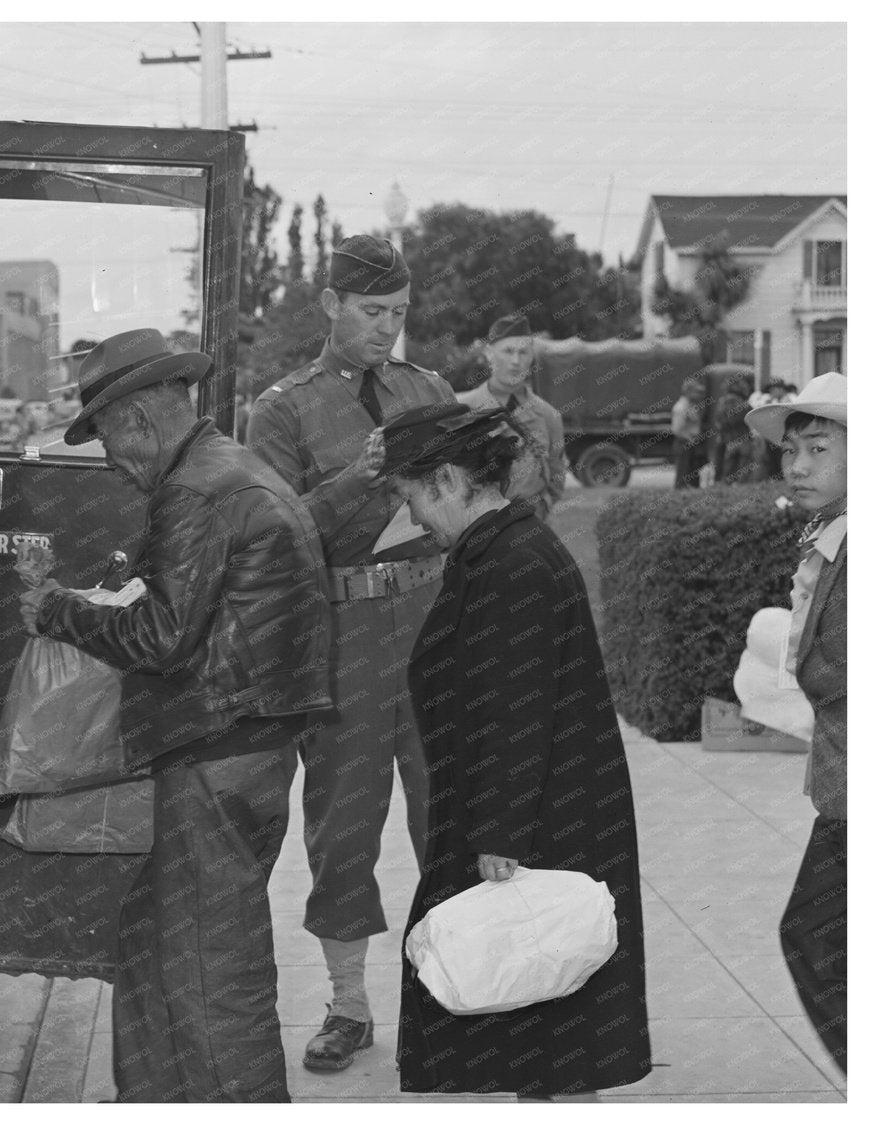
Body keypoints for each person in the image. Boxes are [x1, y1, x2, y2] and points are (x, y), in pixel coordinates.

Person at [18, 328, 333, 1101]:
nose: (114, 466)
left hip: (214, 756)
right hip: (243, 749)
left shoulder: (192, 490)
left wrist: (57, 609)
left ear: (137, 422)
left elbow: (161, 636)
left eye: (108, 445)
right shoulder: (227, 469)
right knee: (161, 947)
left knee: (209, 978)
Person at [381, 402, 651, 1099]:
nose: (411, 518)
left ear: (446, 479)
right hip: (531, 818)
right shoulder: (501, 550)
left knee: (551, 1027)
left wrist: (498, 834)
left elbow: (516, 708)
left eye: (411, 497)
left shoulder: (512, 562)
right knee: (546, 1032)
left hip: (531, 829)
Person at [245, 234, 455, 1071]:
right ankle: (348, 1003)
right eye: (372, 313)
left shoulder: (427, 388)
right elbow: (274, 537)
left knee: (454, 807)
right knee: (342, 823)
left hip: (435, 617)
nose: (386, 331)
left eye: (399, 315)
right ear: (330, 303)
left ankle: (457, 993)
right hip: (347, 635)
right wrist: (362, 477)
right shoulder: (283, 408)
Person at [746, 371, 846, 1074]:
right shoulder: (833, 539)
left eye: (819, 448)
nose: (799, 466)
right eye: (792, 451)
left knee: (810, 937)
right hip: (843, 787)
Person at [457, 312, 567, 518]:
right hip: (475, 526)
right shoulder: (463, 409)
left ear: (532, 356)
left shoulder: (548, 416)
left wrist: (543, 509)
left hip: (529, 526)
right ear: (489, 354)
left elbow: (556, 476)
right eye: (508, 351)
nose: (516, 361)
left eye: (523, 352)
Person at [712, 372, 761, 484]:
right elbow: (751, 417)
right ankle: (739, 491)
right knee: (744, 472)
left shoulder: (721, 402)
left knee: (728, 471)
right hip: (743, 440)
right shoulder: (742, 403)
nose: (746, 387)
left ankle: (725, 490)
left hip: (729, 441)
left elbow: (718, 423)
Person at [670, 375, 710, 487]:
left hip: (691, 443)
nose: (698, 395)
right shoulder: (681, 407)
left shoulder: (690, 406)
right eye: (695, 392)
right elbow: (677, 429)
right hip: (684, 443)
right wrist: (689, 439)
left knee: (692, 474)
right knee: (682, 475)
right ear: (688, 392)